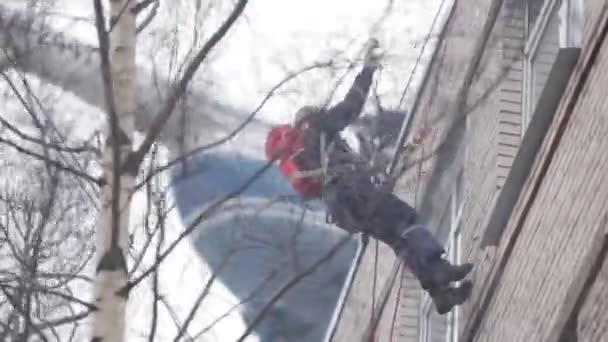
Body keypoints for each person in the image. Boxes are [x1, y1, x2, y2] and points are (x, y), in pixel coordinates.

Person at [264, 39, 473, 314]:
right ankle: (441, 269)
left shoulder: (303, 156)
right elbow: (351, 106)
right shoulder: (317, 128)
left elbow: (316, 188)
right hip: (352, 191)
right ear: (310, 119)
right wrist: (368, 70)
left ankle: (440, 294)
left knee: (399, 239)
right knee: (406, 220)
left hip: (343, 209)